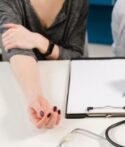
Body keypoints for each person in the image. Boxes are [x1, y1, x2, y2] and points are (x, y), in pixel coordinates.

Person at [0, 0, 88, 129]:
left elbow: (75, 56)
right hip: (22, 82)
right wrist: (35, 97)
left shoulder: (78, 3)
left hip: (69, 85)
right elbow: (15, 46)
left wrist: (39, 42)